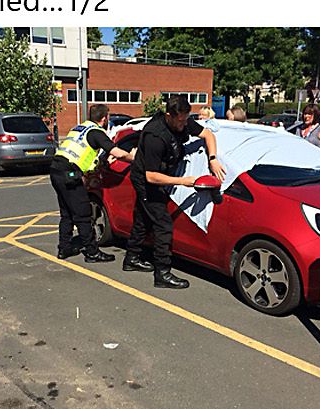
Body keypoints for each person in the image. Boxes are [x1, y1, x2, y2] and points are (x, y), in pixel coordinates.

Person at [124, 94, 226, 288]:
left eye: (186, 120)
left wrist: (213, 159)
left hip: (158, 175)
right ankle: (162, 273)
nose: (183, 125)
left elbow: (208, 135)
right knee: (163, 225)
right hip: (146, 180)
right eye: (180, 121)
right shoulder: (156, 136)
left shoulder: (183, 122)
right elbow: (151, 176)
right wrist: (184, 181)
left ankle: (131, 258)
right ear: (169, 115)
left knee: (143, 218)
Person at [50, 103, 133, 262]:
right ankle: (92, 252)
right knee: (83, 213)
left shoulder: (79, 128)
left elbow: (83, 154)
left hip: (56, 170)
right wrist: (136, 158)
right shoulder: (97, 132)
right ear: (104, 118)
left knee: (67, 213)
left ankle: (64, 248)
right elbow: (117, 153)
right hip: (70, 173)